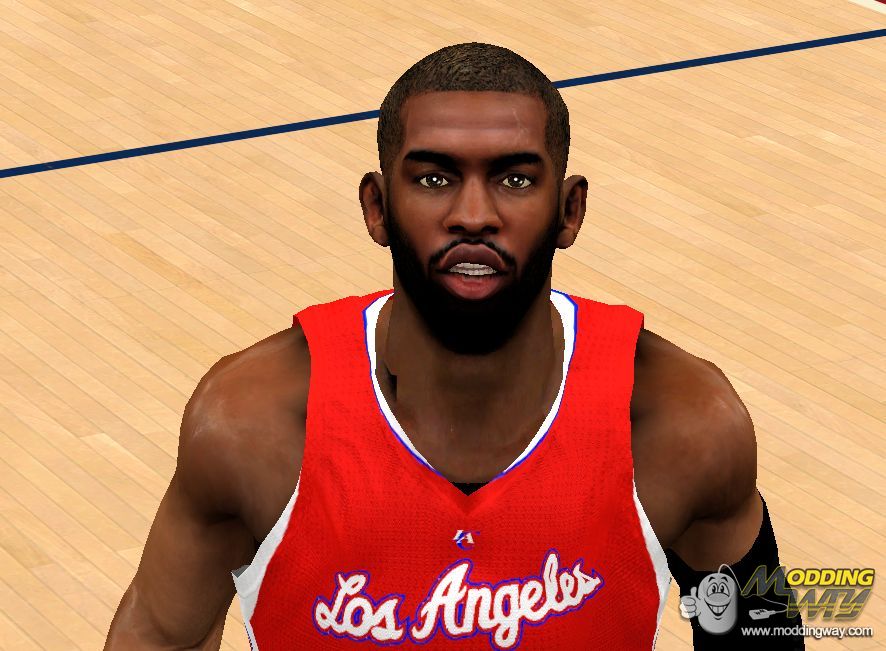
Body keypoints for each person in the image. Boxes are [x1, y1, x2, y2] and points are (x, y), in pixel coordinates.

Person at [105, 43, 804, 650]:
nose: (474, 215)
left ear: (570, 211)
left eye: (515, 179)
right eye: (434, 178)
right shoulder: (249, 424)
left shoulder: (684, 421)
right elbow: (163, 636)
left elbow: (758, 631)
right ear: (377, 207)